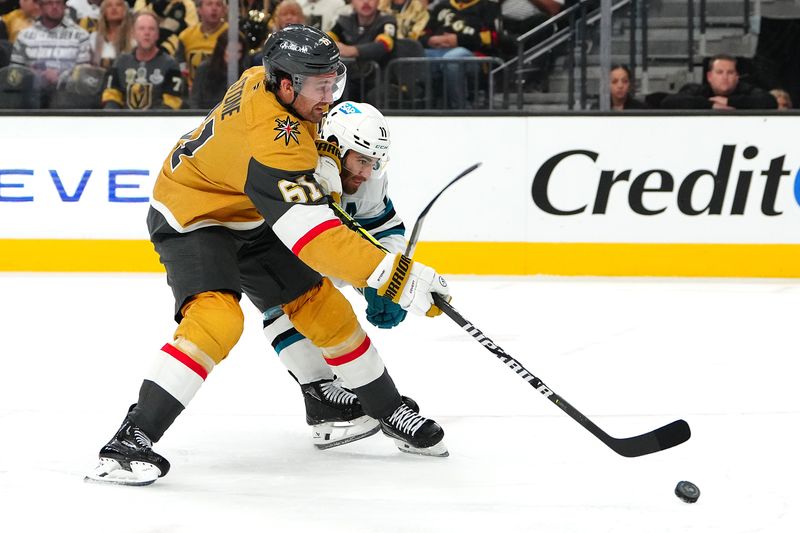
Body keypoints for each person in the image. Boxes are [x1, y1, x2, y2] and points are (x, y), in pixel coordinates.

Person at [85, 24, 449, 486]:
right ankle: (129, 441)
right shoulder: (275, 143)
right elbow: (314, 238)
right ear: (286, 84)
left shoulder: (268, 83)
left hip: (247, 210)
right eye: (320, 86)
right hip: (193, 216)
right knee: (217, 319)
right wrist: (397, 277)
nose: (329, 96)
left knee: (321, 305)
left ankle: (383, 408)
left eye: (332, 82)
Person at [263, 100, 426, 450]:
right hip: (272, 250)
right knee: (291, 300)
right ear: (334, 146)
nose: (366, 173)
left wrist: (387, 280)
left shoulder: (367, 180)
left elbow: (385, 228)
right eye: (362, 160)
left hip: (321, 254)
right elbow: (299, 248)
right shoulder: (297, 165)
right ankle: (322, 398)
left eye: (373, 163)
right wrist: (365, 276)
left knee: (319, 304)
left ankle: (348, 394)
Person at [419, 0, 501, 109]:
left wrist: (458, 40)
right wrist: (430, 40)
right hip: (439, 50)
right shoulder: (441, 6)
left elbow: (494, 38)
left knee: (453, 58)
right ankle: (425, 106)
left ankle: (459, 108)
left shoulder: (488, 6)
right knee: (419, 55)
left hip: (474, 55)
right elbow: (422, 33)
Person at [11, 0, 90, 104]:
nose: (54, 6)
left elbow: (84, 75)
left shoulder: (81, 36)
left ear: (64, 6)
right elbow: (12, 74)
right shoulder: (24, 36)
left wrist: (60, 78)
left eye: (59, 3)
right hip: (30, 96)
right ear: (40, 6)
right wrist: (30, 75)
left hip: (68, 97)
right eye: (49, 3)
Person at [101, 10, 184, 109]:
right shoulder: (120, 62)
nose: (146, 33)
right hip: (124, 122)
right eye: (141, 29)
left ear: (157, 34)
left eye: (151, 29)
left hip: (158, 122)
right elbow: (111, 97)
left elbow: (172, 103)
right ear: (133, 33)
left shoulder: (170, 65)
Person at [328, 0, 396, 104]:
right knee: (334, 91)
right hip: (351, 78)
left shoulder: (387, 21)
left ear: (378, 2)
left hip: (379, 79)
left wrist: (352, 50)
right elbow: (326, 40)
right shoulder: (344, 21)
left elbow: (384, 45)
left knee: (375, 96)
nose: (366, 2)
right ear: (352, 2)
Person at [660, 54, 777, 110]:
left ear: (737, 76)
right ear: (709, 76)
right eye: (720, 72)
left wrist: (728, 101)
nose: (725, 77)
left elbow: (770, 102)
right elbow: (669, 102)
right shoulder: (697, 90)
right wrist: (711, 105)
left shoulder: (747, 90)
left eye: (730, 72)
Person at [174, 0, 227, 88]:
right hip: (191, 92)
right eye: (209, 4)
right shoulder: (185, 36)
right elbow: (179, 65)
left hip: (221, 92)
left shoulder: (233, 36)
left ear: (224, 10)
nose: (214, 8)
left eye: (218, 5)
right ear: (199, 9)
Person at [190, 29, 246, 109]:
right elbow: (195, 101)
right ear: (221, 50)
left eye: (239, 51)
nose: (235, 55)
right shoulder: (204, 69)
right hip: (204, 117)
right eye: (231, 50)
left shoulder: (244, 74)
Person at [88, 0, 133, 68]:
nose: (114, 8)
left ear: (125, 11)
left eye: (118, 5)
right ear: (104, 12)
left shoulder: (135, 38)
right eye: (109, 6)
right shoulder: (94, 38)